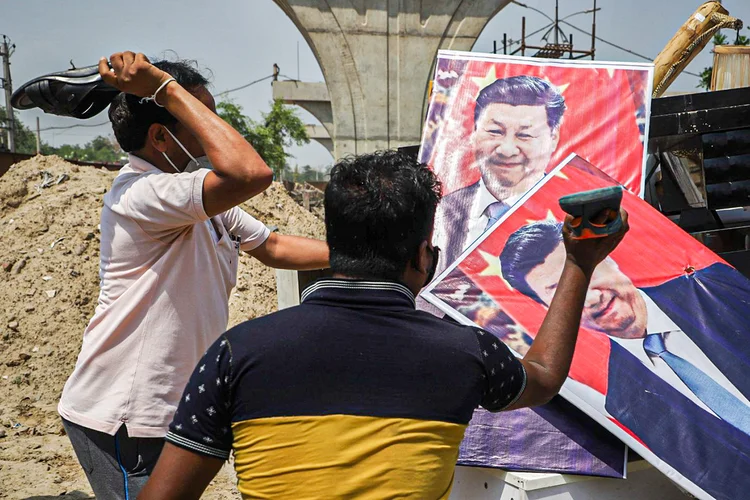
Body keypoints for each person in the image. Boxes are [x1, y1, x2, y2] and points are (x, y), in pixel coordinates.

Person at [138, 150, 627, 499]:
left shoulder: (236, 352)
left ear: (333, 246)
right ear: (423, 258)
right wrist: (579, 262)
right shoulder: (466, 354)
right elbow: (541, 378)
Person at [57, 52, 329, 499]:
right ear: (162, 136)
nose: (213, 133)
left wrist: (369, 258)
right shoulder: (143, 194)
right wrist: (164, 87)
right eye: (199, 118)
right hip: (125, 413)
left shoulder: (201, 203)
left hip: (170, 409)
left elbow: (274, 247)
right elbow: (252, 172)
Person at [500, 220, 750, 500]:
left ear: (610, 258)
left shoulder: (716, 285)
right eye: (564, 290)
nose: (591, 297)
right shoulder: (623, 403)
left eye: (587, 272)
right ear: (549, 308)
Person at [434, 75, 566, 274]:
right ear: (475, 133)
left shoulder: (572, 216)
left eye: (524, 135)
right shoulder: (439, 212)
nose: (506, 149)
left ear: (553, 139)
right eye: (495, 131)